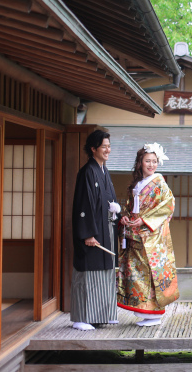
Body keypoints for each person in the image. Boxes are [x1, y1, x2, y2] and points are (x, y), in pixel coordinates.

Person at [117, 143, 179, 326]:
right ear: (140, 163)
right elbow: (131, 208)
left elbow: (168, 205)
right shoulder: (137, 184)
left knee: (151, 273)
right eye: (147, 161)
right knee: (138, 273)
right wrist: (126, 218)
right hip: (135, 234)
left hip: (151, 236)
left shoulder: (159, 182)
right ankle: (145, 310)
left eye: (154, 161)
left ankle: (155, 313)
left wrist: (144, 220)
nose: (151, 165)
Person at [71, 129, 121, 330]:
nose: (108, 150)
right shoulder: (87, 171)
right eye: (104, 146)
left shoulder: (103, 170)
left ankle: (100, 315)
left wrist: (116, 209)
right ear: (93, 148)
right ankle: (82, 318)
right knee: (88, 274)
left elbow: (108, 199)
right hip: (92, 233)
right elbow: (83, 205)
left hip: (105, 229)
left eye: (109, 146)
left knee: (104, 273)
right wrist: (88, 234)